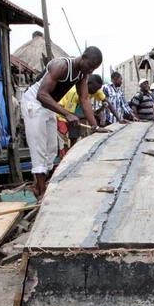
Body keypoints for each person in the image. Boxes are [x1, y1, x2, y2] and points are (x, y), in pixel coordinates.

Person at [21, 46, 102, 199]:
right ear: (83, 57)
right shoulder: (61, 66)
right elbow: (41, 95)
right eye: (90, 66)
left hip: (48, 105)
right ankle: (42, 191)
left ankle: (40, 185)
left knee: (52, 148)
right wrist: (67, 114)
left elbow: (84, 98)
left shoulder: (82, 73)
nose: (90, 71)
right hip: (34, 103)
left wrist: (95, 126)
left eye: (94, 69)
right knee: (39, 147)